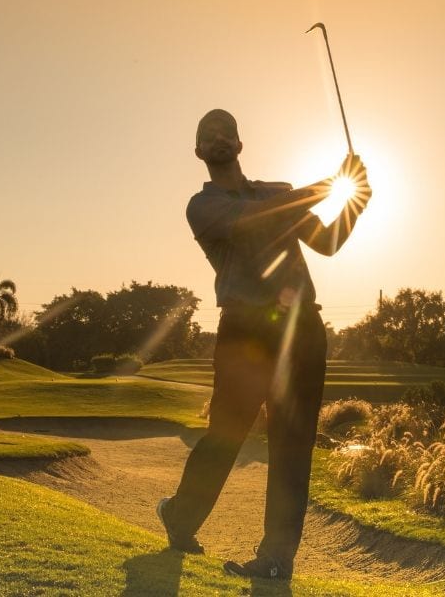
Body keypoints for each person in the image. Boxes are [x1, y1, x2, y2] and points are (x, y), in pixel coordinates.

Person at [157, 109, 371, 580]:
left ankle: (276, 558)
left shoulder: (279, 192)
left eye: (227, 132)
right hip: (244, 331)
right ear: (198, 151)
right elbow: (255, 221)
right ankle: (181, 515)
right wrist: (332, 184)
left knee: (293, 444)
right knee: (227, 433)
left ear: (239, 144)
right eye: (208, 134)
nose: (218, 138)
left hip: (301, 328)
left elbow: (327, 242)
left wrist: (355, 201)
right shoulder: (202, 206)